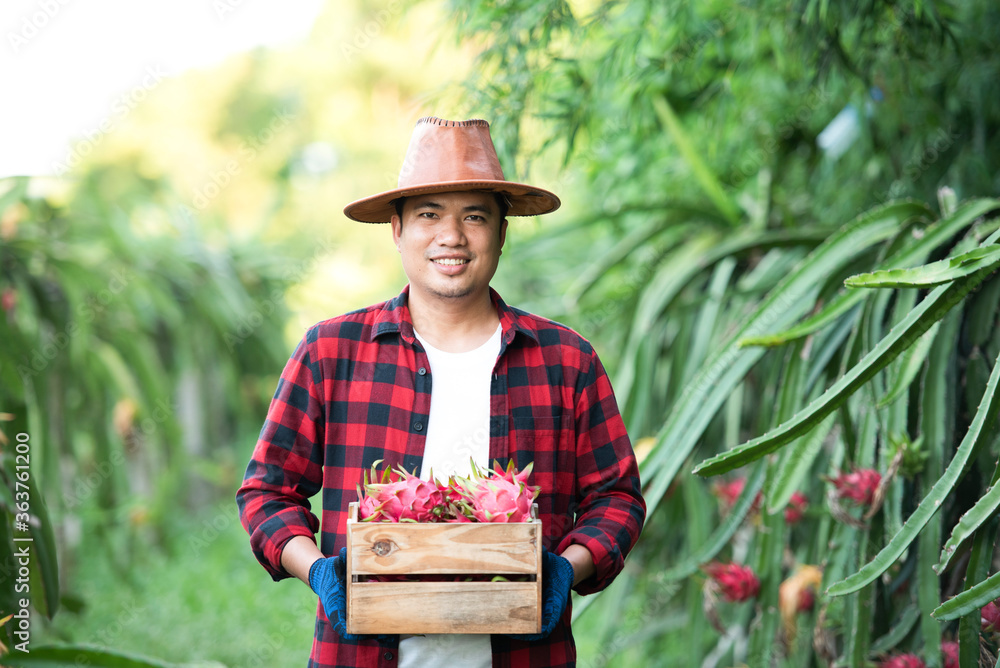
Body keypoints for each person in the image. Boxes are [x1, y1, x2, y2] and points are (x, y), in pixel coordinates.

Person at [236, 116, 646, 668]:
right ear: (397, 231)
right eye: (429, 215)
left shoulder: (566, 360)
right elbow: (266, 492)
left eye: (474, 216)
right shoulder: (331, 352)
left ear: (501, 232)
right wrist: (319, 570)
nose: (451, 236)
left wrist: (566, 568)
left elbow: (617, 499)